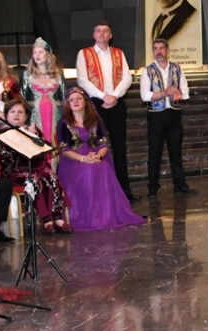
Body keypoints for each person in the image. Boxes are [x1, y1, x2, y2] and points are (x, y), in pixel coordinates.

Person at [57, 86, 145, 231]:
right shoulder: (63, 123)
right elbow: (64, 150)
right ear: (67, 103)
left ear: (85, 101)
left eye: (79, 98)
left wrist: (98, 156)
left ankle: (104, 215)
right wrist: (83, 159)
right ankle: (87, 216)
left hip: (94, 156)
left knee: (103, 167)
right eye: (71, 100)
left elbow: (103, 144)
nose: (75, 101)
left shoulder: (96, 120)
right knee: (87, 171)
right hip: (73, 160)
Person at [76, 23, 137, 199]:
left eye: (105, 31)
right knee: (94, 145)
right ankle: (98, 191)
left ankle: (124, 190)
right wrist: (104, 96)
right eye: (98, 31)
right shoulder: (84, 53)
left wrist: (114, 96)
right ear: (94, 35)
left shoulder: (118, 53)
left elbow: (127, 77)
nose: (102, 34)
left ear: (110, 35)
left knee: (119, 147)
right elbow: (82, 80)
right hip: (95, 104)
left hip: (116, 103)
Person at [0, 98, 69, 234]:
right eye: (12, 112)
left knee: (51, 176)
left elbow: (46, 148)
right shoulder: (3, 134)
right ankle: (46, 219)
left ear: (26, 116)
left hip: (38, 166)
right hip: (15, 170)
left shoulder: (32, 130)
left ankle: (57, 216)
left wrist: (34, 138)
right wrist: (26, 143)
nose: (16, 115)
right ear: (6, 115)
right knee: (34, 178)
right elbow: (6, 156)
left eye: (20, 112)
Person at [140, 37, 193, 195]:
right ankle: (153, 188)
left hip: (174, 115)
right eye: (155, 48)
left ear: (167, 51)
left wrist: (179, 93)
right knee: (154, 153)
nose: (158, 51)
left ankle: (180, 185)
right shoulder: (147, 71)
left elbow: (185, 89)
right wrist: (164, 93)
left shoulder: (177, 68)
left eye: (161, 48)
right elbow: (144, 95)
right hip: (156, 116)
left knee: (176, 152)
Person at [20, 38, 65, 140]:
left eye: (40, 52)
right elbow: (22, 99)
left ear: (48, 54)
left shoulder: (58, 73)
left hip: (55, 113)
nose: (37, 55)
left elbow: (64, 97)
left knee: (55, 139)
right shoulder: (27, 74)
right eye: (35, 52)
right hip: (34, 114)